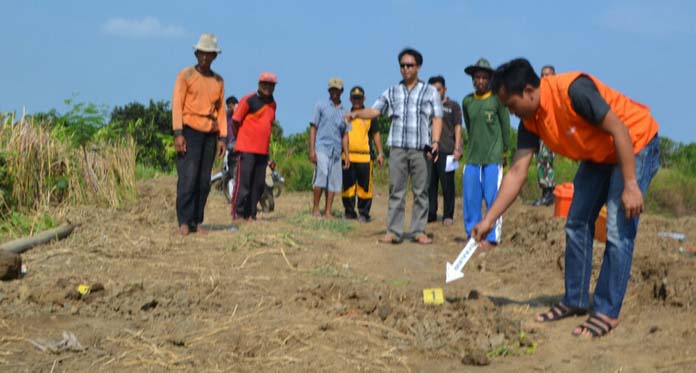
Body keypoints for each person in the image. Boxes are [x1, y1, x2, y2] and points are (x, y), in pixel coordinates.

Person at [473, 58, 660, 338]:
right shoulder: (530, 120)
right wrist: (489, 219)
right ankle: (575, 299)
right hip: (599, 152)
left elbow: (619, 129)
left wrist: (631, 185)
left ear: (528, 91)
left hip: (634, 143)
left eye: (511, 105)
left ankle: (607, 311)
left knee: (617, 230)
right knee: (576, 222)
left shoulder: (573, 91)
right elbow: (516, 171)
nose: (511, 113)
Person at [347, 48, 443, 245]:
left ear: (418, 67)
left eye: (410, 65)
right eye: (402, 65)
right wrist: (356, 114)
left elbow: (437, 118)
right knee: (396, 191)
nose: (406, 69)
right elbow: (375, 111)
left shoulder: (430, 92)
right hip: (398, 147)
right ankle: (394, 231)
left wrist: (435, 142)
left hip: (420, 148)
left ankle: (418, 231)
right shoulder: (392, 91)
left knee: (420, 192)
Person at [172, 33, 227, 236]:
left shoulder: (218, 81)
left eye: (209, 54)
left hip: (209, 134)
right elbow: (177, 104)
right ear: (196, 54)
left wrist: (222, 137)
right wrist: (178, 133)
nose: (205, 57)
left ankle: (197, 220)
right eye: (202, 53)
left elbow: (221, 111)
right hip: (189, 131)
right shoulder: (186, 76)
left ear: (214, 57)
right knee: (188, 177)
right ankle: (184, 221)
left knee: (204, 180)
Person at [461, 58, 511, 249]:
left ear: (490, 80)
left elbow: (505, 126)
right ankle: (472, 234)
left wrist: (505, 150)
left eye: (484, 77)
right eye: (477, 77)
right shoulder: (468, 101)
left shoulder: (497, 100)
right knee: (471, 198)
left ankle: (491, 238)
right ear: (473, 80)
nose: (480, 81)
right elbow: (469, 125)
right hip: (473, 157)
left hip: (492, 158)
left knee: (493, 198)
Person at [231, 72, 278, 221]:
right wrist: (241, 139)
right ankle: (237, 213)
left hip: (262, 150)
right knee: (243, 182)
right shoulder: (249, 100)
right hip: (246, 148)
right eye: (265, 84)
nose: (267, 87)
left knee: (258, 184)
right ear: (259, 84)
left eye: (271, 85)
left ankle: (251, 214)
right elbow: (235, 121)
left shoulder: (272, 104)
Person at [341, 86, 385, 222]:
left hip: (365, 157)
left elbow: (376, 134)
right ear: (350, 99)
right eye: (354, 98)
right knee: (348, 187)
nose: (356, 101)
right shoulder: (347, 116)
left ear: (364, 99)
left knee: (364, 188)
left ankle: (364, 213)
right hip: (348, 156)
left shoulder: (370, 115)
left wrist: (380, 152)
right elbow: (343, 135)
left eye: (359, 98)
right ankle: (349, 212)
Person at [309, 78, 351, 218]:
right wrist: (312, 150)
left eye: (337, 90)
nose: (334, 92)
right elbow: (313, 127)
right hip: (322, 147)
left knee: (333, 182)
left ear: (341, 91)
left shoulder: (345, 111)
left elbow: (345, 134)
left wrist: (347, 155)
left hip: (336, 150)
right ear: (329, 90)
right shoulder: (320, 105)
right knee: (320, 179)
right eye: (332, 89)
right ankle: (316, 209)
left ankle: (328, 211)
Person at [427, 75, 463, 225]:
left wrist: (458, 148)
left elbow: (458, 127)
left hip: (448, 150)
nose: (436, 92)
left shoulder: (453, 106)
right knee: (429, 184)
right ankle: (431, 213)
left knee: (448, 184)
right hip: (429, 151)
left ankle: (448, 215)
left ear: (444, 89)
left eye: (438, 89)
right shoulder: (426, 106)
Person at [533, 65, 557, 206]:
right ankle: (545, 192)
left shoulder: (556, 93)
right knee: (541, 161)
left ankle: (550, 193)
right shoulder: (540, 93)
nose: (545, 77)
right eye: (542, 75)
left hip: (552, 133)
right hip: (541, 132)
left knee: (546, 161)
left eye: (548, 74)